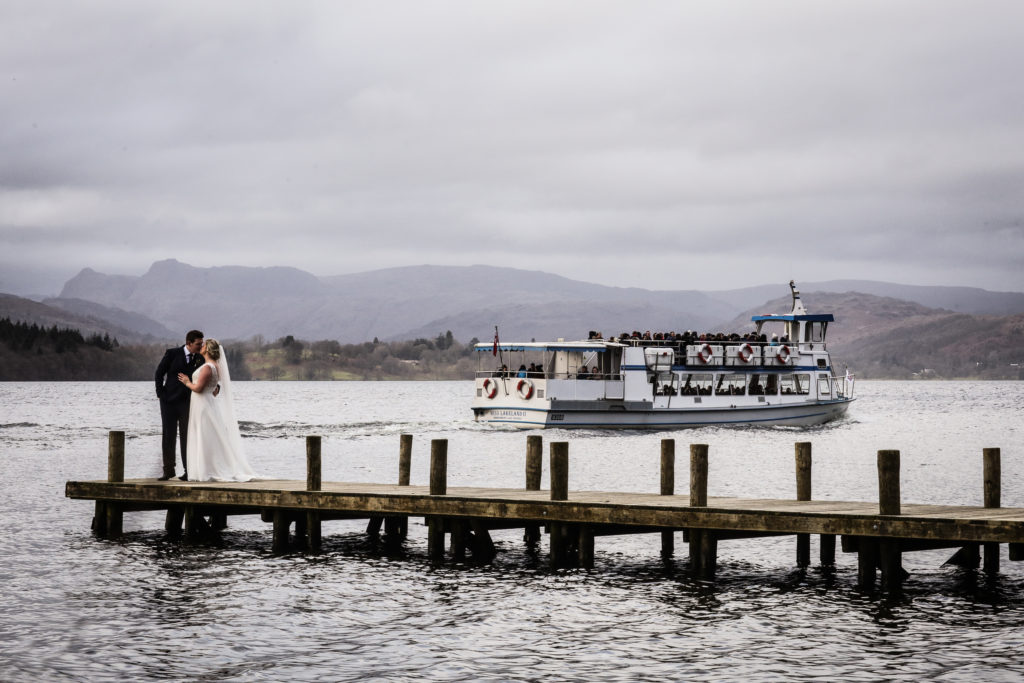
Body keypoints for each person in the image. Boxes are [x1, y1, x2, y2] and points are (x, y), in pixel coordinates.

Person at [177, 339, 260, 482]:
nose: (201, 347)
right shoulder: (216, 366)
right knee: (209, 436)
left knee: (204, 435)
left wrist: (187, 382)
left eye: (203, 346)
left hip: (202, 405)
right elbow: (214, 390)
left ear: (207, 350)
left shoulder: (208, 367)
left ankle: (205, 470)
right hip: (208, 403)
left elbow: (198, 388)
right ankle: (207, 467)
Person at [155, 330, 205, 480]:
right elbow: (159, 373)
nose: (201, 346)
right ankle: (168, 470)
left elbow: (206, 376)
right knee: (168, 435)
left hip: (188, 403)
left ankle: (188, 470)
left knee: (187, 437)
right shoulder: (172, 353)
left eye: (202, 343)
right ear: (188, 343)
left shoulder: (200, 358)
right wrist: (160, 393)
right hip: (168, 402)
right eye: (198, 344)